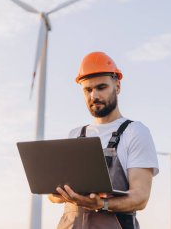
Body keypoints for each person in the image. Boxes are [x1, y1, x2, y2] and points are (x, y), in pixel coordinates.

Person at [48, 52, 159, 229]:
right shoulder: (74, 135)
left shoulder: (135, 132)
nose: (94, 96)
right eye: (88, 90)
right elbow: (52, 196)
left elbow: (140, 197)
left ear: (117, 86)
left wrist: (101, 204)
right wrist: (61, 194)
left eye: (101, 87)